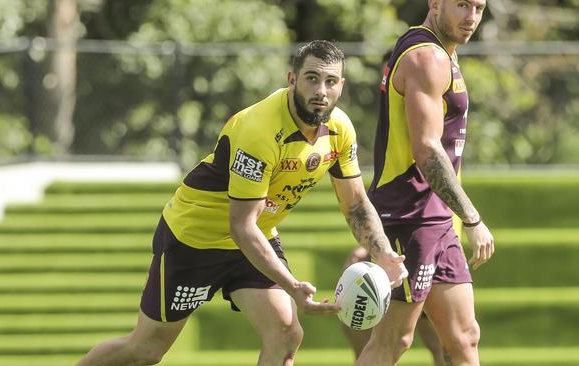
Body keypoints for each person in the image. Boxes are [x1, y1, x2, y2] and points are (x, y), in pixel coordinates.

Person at [76, 40, 407, 366]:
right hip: (195, 239)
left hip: (253, 239)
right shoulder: (259, 130)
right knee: (145, 350)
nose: (321, 90)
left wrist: (384, 254)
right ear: (292, 79)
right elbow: (241, 226)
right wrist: (291, 286)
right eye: (312, 78)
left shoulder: (340, 130)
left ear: (341, 86)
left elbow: (356, 205)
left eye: (330, 81)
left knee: (286, 333)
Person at [357, 1, 495, 365]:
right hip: (410, 215)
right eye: (462, 5)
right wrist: (472, 218)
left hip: (436, 217)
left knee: (464, 338)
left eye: (479, 8)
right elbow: (428, 150)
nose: (471, 17)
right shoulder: (427, 57)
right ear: (435, 2)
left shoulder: (442, 53)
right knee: (392, 341)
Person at [340, 49, 447, 366]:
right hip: (405, 243)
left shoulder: (431, 128)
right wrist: (371, 251)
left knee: (452, 345)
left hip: (432, 243)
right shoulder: (391, 137)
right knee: (385, 336)